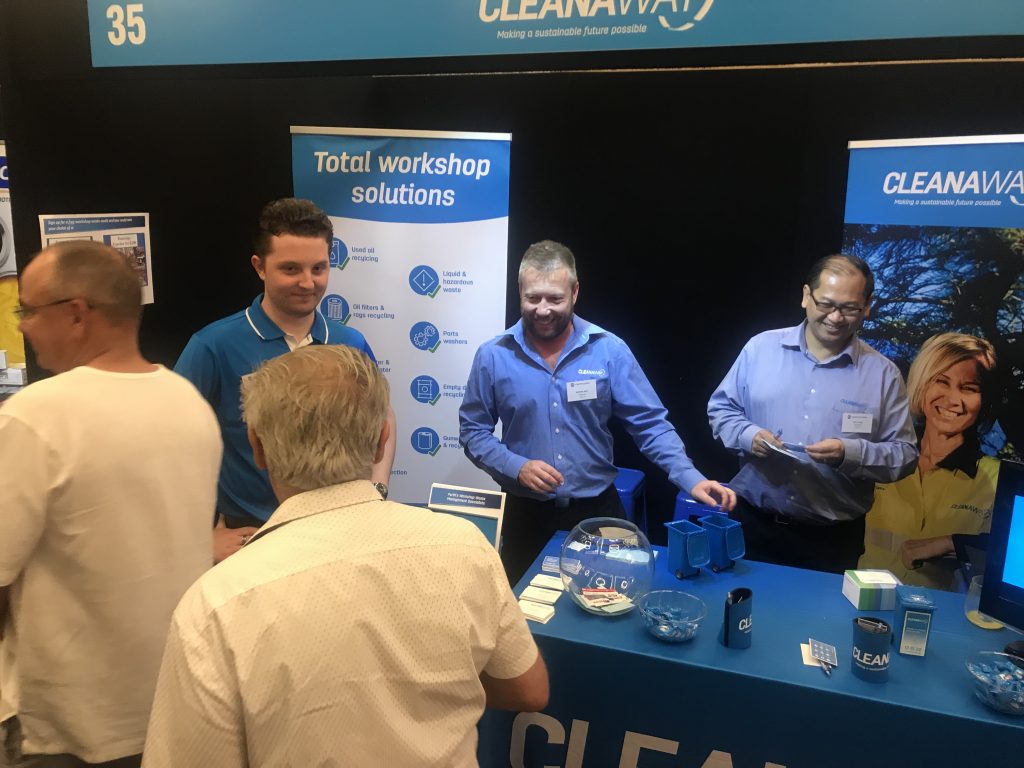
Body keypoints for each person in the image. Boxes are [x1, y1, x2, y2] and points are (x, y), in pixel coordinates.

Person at [143, 345, 547, 767]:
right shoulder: (464, 547)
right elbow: (528, 689)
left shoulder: (215, 605)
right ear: (382, 440)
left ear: (257, 446)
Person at [0, 242, 220, 767]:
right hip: (171, 709)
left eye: (28, 310)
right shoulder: (190, 404)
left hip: (68, 726)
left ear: (77, 314)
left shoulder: (35, 416)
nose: (24, 325)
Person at [460, 240, 735, 585]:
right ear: (520, 292)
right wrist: (517, 467)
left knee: (607, 606)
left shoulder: (609, 351)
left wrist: (690, 477)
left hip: (597, 513)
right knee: (524, 611)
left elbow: (649, 424)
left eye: (555, 299)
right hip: (526, 518)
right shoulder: (493, 356)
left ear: (575, 292)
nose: (542, 310)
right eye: (533, 298)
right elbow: (473, 432)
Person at [175, 198, 396, 562]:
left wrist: (378, 489)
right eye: (291, 269)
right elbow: (171, 443)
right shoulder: (213, 346)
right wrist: (196, 537)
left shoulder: (350, 342)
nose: (307, 282)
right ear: (259, 267)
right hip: (254, 536)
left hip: (340, 533)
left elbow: (382, 416)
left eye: (318, 268)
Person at [707, 254, 918, 573]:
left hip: (831, 543)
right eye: (826, 304)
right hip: (751, 526)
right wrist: (749, 436)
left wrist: (850, 454)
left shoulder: (883, 375)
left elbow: (905, 455)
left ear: (867, 307)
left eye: (849, 308)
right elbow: (721, 410)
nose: (835, 317)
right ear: (806, 296)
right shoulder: (760, 349)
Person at [859, 333, 999, 589]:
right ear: (922, 384)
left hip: (946, 611)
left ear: (983, 400)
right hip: (867, 601)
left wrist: (952, 543)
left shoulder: (996, 478)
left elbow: (1014, 557)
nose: (953, 400)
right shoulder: (884, 457)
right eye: (942, 382)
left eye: (969, 388)